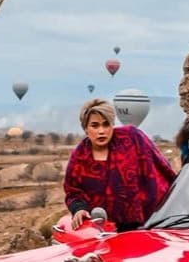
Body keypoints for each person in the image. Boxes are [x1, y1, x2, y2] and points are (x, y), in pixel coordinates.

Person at [65, 98, 176, 231]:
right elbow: (73, 191)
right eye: (95, 125)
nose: (101, 131)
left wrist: (178, 190)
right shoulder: (79, 157)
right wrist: (78, 209)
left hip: (149, 222)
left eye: (106, 125)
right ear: (85, 128)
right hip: (104, 230)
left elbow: (160, 165)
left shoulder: (132, 138)